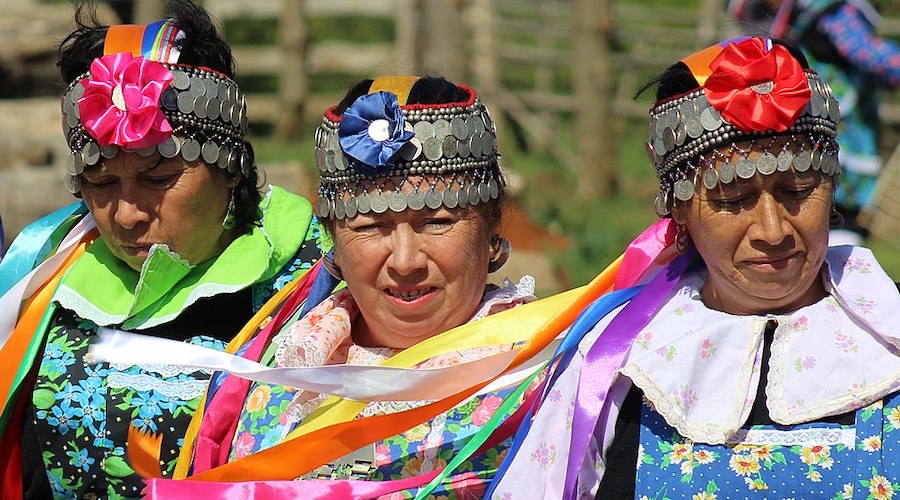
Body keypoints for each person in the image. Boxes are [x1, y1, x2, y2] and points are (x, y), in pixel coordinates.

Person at [491, 36, 900, 499]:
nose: (772, 230)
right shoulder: (616, 364)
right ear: (678, 209)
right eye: (733, 198)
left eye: (798, 190)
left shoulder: (888, 335)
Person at [108, 75, 540, 498]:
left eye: (437, 222)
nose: (406, 261)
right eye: (370, 226)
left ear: (490, 235)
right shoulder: (287, 360)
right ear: (333, 242)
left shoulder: (538, 378)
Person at [0, 1, 325, 498]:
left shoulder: (318, 284)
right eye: (101, 183)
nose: (127, 214)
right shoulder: (42, 282)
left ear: (231, 168)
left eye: (158, 179)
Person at [728, 0, 900, 245]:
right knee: (822, 207)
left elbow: (868, 54)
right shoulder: (809, 12)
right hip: (815, 132)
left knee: (827, 209)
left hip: (823, 133)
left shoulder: (819, 12)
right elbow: (870, 54)